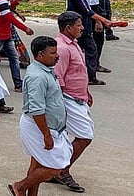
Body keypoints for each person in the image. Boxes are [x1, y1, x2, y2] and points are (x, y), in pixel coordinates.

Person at [9, 36, 73, 196]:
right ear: (40, 55)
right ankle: (20, 186)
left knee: (37, 163)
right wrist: (46, 135)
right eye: (52, 53)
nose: (57, 56)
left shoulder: (46, 70)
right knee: (55, 167)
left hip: (51, 126)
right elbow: (37, 110)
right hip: (39, 127)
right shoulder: (37, 77)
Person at [53, 11, 94, 192]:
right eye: (79, 25)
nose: (82, 28)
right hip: (68, 99)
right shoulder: (62, 48)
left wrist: (86, 91)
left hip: (79, 97)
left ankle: (55, 168)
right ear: (68, 28)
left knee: (70, 136)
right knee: (85, 136)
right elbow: (58, 78)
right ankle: (62, 170)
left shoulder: (73, 44)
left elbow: (78, 71)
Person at [66, 0, 111, 85]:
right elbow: (87, 10)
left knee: (78, 49)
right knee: (91, 49)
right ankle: (90, 77)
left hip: (76, 23)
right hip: (78, 24)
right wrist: (103, 20)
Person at [82, 0, 111, 74]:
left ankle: (94, 63)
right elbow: (94, 3)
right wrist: (98, 21)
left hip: (98, 13)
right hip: (95, 15)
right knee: (97, 42)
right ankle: (94, 65)